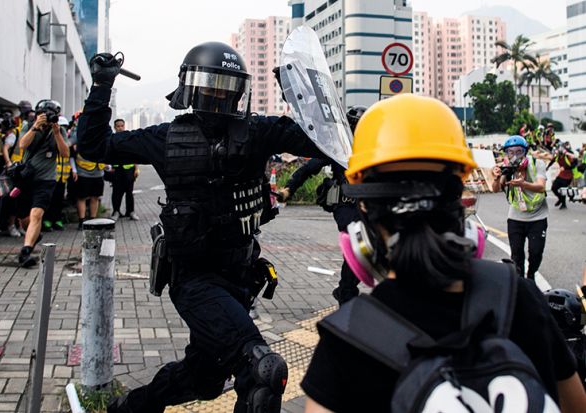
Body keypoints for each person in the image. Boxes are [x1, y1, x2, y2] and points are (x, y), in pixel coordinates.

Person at [78, 43, 326, 413]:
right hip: (194, 280)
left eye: (226, 85)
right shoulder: (164, 138)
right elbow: (94, 145)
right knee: (261, 371)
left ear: (239, 91)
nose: (217, 93)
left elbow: (320, 141)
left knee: (205, 379)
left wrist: (313, 102)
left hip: (241, 277)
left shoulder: (258, 131)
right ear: (191, 87)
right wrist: (101, 88)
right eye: (210, 83)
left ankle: (130, 407)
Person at [301, 94, 586, 412]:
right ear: (458, 195)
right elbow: (575, 404)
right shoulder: (515, 295)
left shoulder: (346, 339)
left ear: (364, 210)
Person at [280, 106, 366, 306]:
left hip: (365, 207)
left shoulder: (372, 148)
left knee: (363, 251)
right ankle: (346, 294)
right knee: (356, 247)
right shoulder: (338, 149)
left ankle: (345, 289)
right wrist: (289, 189)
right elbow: (308, 169)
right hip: (345, 207)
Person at [16, 100, 70, 267]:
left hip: (46, 180)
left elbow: (65, 153)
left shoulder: (59, 130)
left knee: (36, 215)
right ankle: (34, 236)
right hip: (27, 179)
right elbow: (22, 145)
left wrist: (56, 133)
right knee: (24, 219)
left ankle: (26, 251)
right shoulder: (29, 126)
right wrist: (35, 127)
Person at [491, 135, 548, 280]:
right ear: (506, 153)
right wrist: (497, 177)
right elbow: (495, 189)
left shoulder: (536, 164)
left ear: (525, 152)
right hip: (516, 217)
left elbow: (541, 186)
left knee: (536, 253)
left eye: (519, 151)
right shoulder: (507, 167)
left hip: (538, 216)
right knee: (516, 254)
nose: (515, 156)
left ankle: (531, 275)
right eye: (511, 152)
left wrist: (523, 184)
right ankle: (521, 282)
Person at [69, 125, 106, 230]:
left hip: (98, 171)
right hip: (82, 171)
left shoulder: (101, 133)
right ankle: (82, 221)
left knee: (95, 197)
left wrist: (107, 165)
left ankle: (93, 221)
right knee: (81, 197)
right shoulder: (78, 134)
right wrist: (74, 170)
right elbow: (72, 153)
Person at [42, 116, 72, 231]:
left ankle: (57, 219)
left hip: (63, 177)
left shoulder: (66, 140)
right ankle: (47, 220)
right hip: (51, 175)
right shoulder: (50, 139)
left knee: (59, 199)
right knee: (49, 199)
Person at [0, 111, 22, 237]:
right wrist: (8, 163)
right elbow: (5, 148)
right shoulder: (13, 135)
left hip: (14, 171)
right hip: (12, 172)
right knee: (12, 199)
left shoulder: (12, 135)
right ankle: (12, 225)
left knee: (14, 199)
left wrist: (8, 162)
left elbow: (5, 148)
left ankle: (15, 225)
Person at [110, 118, 139, 221]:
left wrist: (136, 169)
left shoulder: (128, 138)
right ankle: (116, 211)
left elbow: (134, 154)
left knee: (129, 192)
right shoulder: (111, 139)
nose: (120, 128)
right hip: (117, 170)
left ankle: (130, 212)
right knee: (116, 192)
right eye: (118, 126)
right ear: (115, 127)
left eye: (122, 126)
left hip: (129, 170)